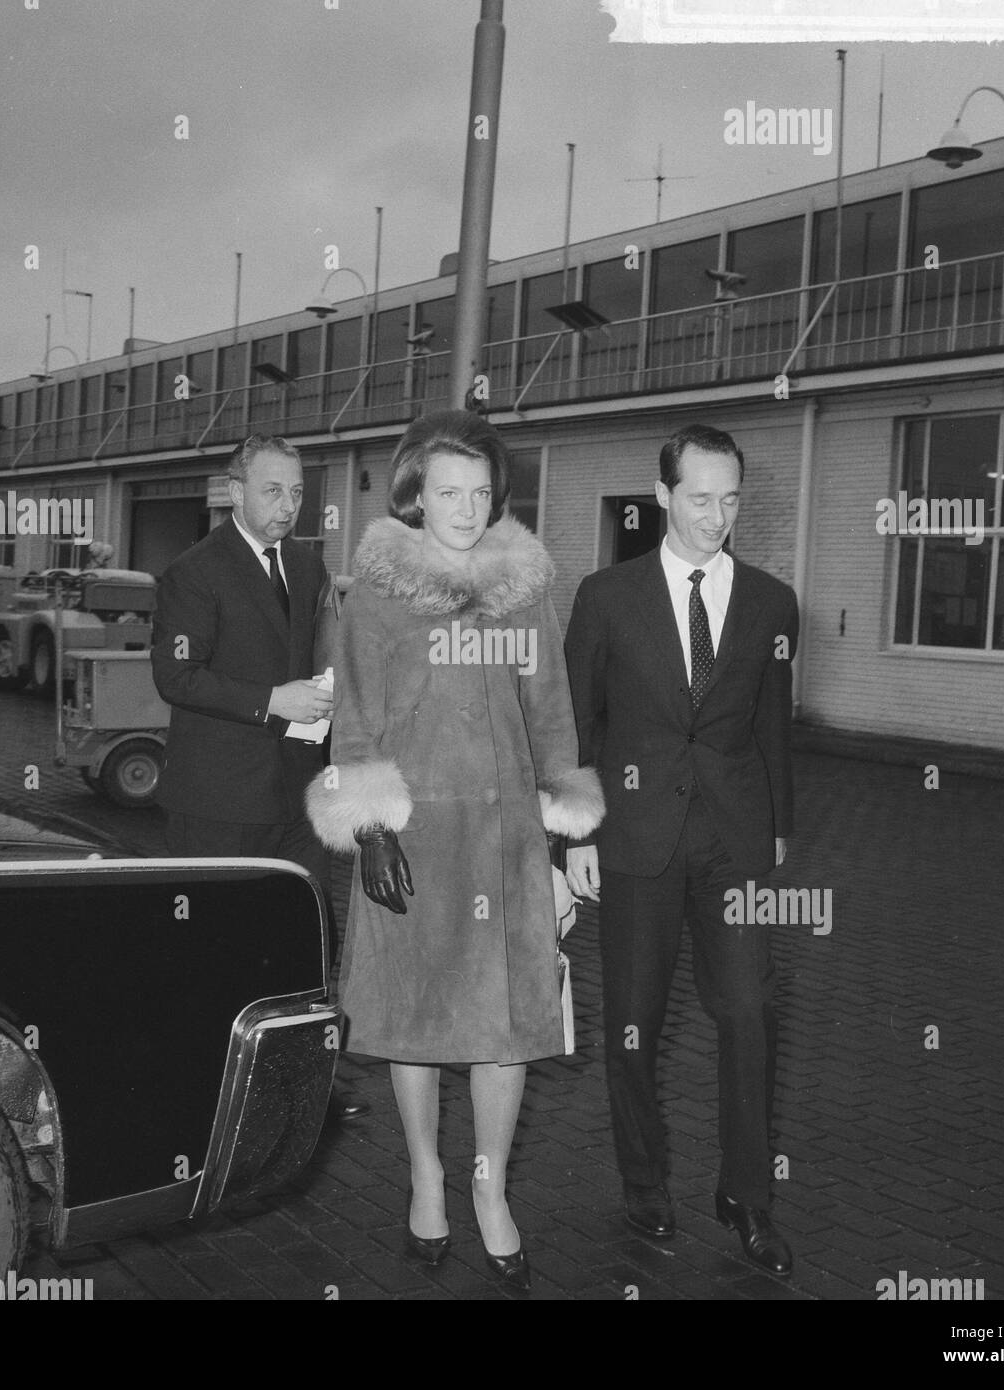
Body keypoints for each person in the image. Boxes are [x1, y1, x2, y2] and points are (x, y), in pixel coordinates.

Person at [306, 410, 603, 1293]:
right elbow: (353, 722)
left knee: (507, 1028)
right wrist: (368, 825)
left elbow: (552, 718)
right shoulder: (376, 595)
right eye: (447, 492)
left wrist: (567, 835)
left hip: (506, 838)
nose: (466, 508)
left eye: (479, 492)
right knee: (416, 1020)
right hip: (415, 837)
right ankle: (426, 1177)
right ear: (414, 495)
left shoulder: (526, 585)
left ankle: (490, 1188)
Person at [563, 422, 798, 1276]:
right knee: (634, 1024)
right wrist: (576, 833)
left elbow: (773, 724)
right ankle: (642, 1178)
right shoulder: (605, 596)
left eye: (730, 498)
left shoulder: (772, 601)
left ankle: (747, 1195)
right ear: (659, 496)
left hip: (732, 843)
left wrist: (775, 835)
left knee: (746, 1013)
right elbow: (577, 722)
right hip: (632, 836)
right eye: (698, 498)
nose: (715, 515)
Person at [150, 433, 365, 1121]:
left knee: (303, 938)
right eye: (272, 491)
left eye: (297, 493)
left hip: (297, 797)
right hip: (218, 798)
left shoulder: (307, 569)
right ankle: (202, 1083)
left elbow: (322, 657)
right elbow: (175, 675)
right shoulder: (194, 571)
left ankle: (303, 1079)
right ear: (234, 491)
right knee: (213, 946)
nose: (287, 506)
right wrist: (271, 700)